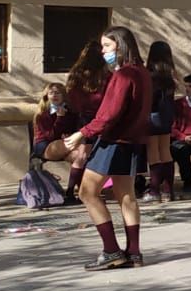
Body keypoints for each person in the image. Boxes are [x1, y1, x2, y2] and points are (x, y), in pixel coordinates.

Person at [60, 27, 153, 271]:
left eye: (107, 47)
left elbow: (109, 114)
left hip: (113, 142)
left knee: (87, 193)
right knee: (126, 197)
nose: (103, 52)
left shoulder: (123, 76)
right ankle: (133, 253)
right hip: (132, 143)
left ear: (121, 46)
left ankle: (111, 251)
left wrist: (82, 133)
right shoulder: (142, 73)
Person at [62, 38, 109, 202]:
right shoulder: (104, 74)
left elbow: (71, 96)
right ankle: (89, 190)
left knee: (82, 155)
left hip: (82, 118)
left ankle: (70, 190)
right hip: (100, 118)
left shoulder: (76, 73)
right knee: (98, 155)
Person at [143, 39, 179, 203]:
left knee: (153, 153)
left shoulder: (149, 74)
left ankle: (154, 189)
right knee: (166, 151)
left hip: (152, 116)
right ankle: (168, 189)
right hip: (166, 117)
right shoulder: (171, 76)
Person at [31, 82, 77, 161]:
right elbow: (50, 136)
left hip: (64, 142)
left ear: (63, 95)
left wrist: (69, 134)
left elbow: (73, 128)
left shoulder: (70, 112)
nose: (54, 95)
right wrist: (60, 117)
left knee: (78, 155)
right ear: (47, 96)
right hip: (45, 144)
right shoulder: (42, 114)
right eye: (51, 93)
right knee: (67, 145)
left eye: (57, 93)